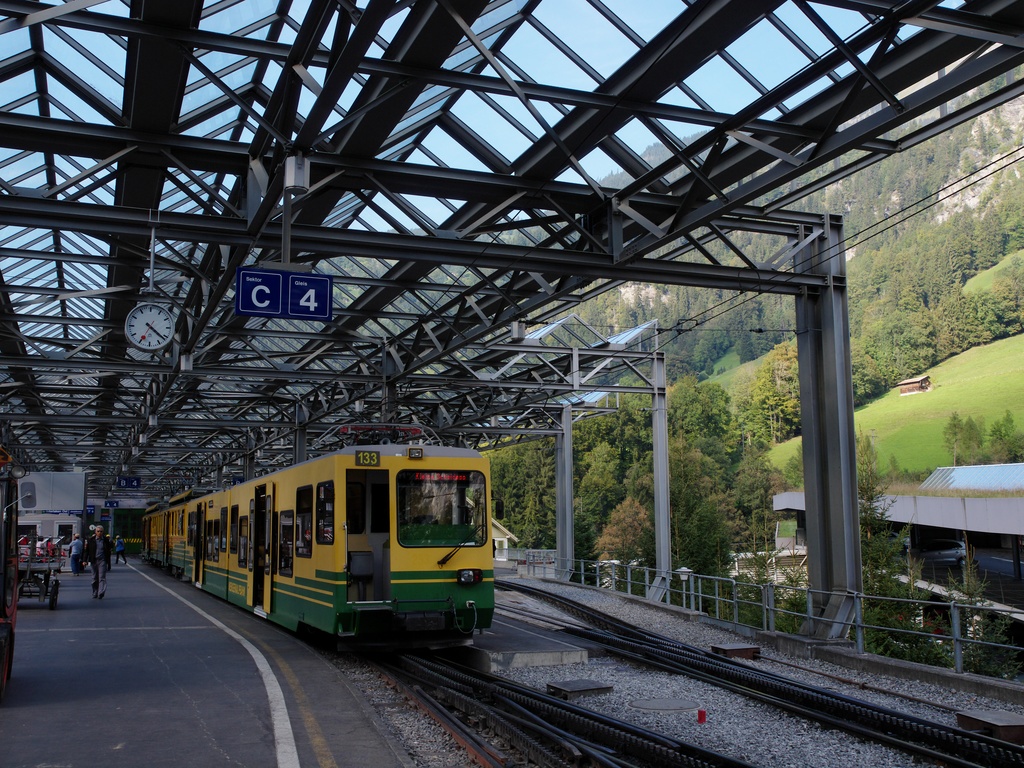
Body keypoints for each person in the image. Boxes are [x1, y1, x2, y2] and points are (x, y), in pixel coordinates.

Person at [85, 526, 112, 599]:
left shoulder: (106, 541)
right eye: (98, 531)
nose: (99, 533)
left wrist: (108, 562)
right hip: (94, 560)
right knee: (94, 578)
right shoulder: (91, 540)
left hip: (102, 560)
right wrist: (85, 560)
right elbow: (87, 551)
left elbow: (108, 551)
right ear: (95, 532)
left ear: (103, 532)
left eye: (101, 531)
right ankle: (95, 592)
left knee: (102, 577)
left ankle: (101, 592)